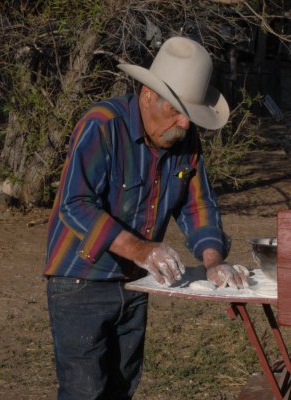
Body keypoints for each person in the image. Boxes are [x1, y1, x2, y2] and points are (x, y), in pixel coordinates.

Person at [44, 36, 248, 400]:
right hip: (80, 281)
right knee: (85, 391)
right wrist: (140, 250)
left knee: (123, 386)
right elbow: (75, 203)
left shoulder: (186, 140)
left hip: (136, 284)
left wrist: (213, 260)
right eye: (176, 110)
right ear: (147, 95)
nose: (184, 124)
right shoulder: (102, 125)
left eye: (191, 113)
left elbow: (198, 206)